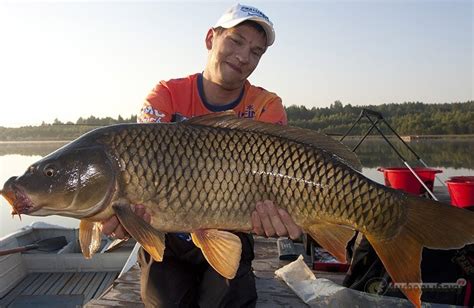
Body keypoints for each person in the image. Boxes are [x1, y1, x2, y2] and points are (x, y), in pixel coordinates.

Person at [101, 3, 302, 307]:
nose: (244, 56)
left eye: (256, 51)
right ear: (211, 38)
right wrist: (125, 216)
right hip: (166, 237)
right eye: (236, 41)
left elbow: (280, 179)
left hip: (232, 229)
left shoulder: (265, 106)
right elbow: (140, 175)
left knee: (226, 300)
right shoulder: (165, 95)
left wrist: (290, 217)